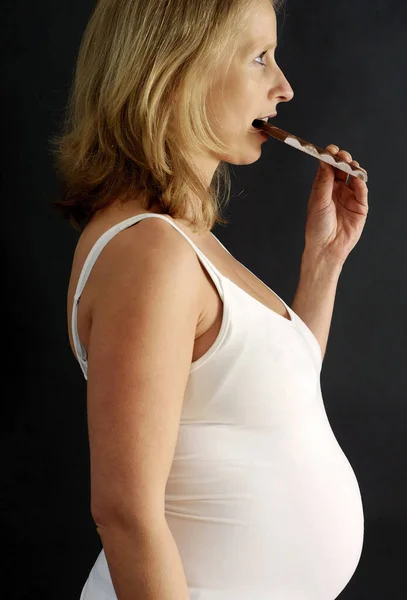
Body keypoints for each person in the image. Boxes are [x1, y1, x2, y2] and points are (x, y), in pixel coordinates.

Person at [50, 0, 369, 598]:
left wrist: (322, 264)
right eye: (259, 58)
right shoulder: (151, 253)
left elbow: (272, 406)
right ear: (177, 69)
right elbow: (124, 513)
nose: (284, 87)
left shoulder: (182, 239)